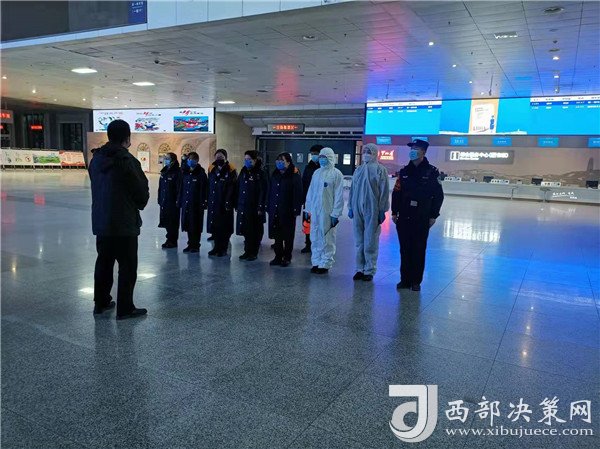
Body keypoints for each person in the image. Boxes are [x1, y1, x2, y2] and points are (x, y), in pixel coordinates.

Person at [89, 119, 149, 320]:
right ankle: (125, 308)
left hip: (102, 222)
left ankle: (101, 303)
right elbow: (141, 192)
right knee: (127, 266)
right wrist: (139, 203)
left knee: (103, 263)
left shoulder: (96, 159)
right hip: (124, 224)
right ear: (127, 137)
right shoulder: (127, 160)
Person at [391, 139, 444, 291]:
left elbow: (438, 195)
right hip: (404, 216)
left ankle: (415, 281)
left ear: (423, 152)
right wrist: (394, 212)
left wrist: (433, 215)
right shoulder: (404, 172)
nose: (412, 151)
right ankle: (405, 279)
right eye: (412, 148)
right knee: (404, 249)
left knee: (419, 249)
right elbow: (396, 193)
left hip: (422, 217)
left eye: (416, 148)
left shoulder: (432, 172)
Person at [348, 143, 390, 282]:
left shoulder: (380, 170)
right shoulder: (358, 170)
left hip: (373, 209)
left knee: (370, 240)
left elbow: (384, 191)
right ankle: (359, 269)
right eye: (364, 151)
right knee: (359, 240)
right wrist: (350, 207)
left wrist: (382, 209)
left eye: (369, 151)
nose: (366, 154)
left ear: (375, 153)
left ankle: (369, 270)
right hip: (357, 208)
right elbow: (352, 190)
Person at [304, 147, 344, 274]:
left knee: (327, 237)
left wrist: (335, 214)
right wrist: (308, 209)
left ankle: (325, 263)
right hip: (315, 211)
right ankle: (316, 261)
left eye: (324, 157)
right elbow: (311, 192)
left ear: (330, 158)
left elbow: (339, 196)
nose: (321, 159)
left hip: (328, 212)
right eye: (320, 157)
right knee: (315, 236)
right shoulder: (316, 173)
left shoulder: (336, 174)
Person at [267, 152, 302, 267]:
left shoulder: (294, 175)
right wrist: (268, 205)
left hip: (288, 211)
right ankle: (278, 256)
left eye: (282, 161)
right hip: (275, 209)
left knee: (288, 235)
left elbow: (298, 193)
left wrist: (296, 210)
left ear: (288, 162)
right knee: (277, 235)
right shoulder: (275, 174)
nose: (279, 163)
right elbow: (270, 191)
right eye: (278, 160)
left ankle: (287, 257)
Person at [235, 150, 268, 261]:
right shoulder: (243, 171)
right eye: (245, 159)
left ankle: (253, 252)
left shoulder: (260, 173)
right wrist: (237, 203)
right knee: (246, 229)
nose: (247, 161)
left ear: (255, 160)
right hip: (244, 205)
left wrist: (260, 206)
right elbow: (238, 187)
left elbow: (263, 191)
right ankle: (247, 251)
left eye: (249, 159)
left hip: (255, 207)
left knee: (255, 230)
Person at [207, 149, 237, 256]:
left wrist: (230, 201)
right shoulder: (211, 168)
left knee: (224, 227)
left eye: (221, 157)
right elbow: (209, 184)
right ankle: (216, 247)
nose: (219, 159)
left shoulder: (231, 169)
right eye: (217, 157)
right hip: (214, 202)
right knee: (215, 226)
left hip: (225, 203)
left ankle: (223, 249)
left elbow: (233, 187)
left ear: (225, 158)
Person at [179, 152, 208, 253]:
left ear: (196, 161)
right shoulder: (185, 173)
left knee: (195, 225)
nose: (190, 161)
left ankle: (195, 245)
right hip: (186, 203)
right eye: (189, 159)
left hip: (196, 205)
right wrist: (180, 200)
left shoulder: (201, 174)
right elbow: (182, 188)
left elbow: (204, 189)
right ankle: (190, 244)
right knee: (188, 224)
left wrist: (203, 202)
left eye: (192, 159)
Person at [300, 144, 324, 253]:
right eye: (312, 154)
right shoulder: (308, 167)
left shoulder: (324, 168)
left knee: (320, 223)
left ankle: (319, 244)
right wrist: (303, 199)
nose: (314, 156)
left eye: (316, 154)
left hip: (321, 201)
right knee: (308, 222)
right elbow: (304, 183)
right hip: (309, 200)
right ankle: (308, 244)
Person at [158, 152, 181, 249]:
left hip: (172, 201)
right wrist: (159, 199)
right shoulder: (164, 171)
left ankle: (173, 241)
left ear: (173, 160)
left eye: (167, 158)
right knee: (166, 220)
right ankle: (169, 239)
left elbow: (179, 188)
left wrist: (178, 201)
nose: (165, 160)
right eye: (165, 158)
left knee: (173, 222)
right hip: (164, 200)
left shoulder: (177, 172)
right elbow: (160, 187)